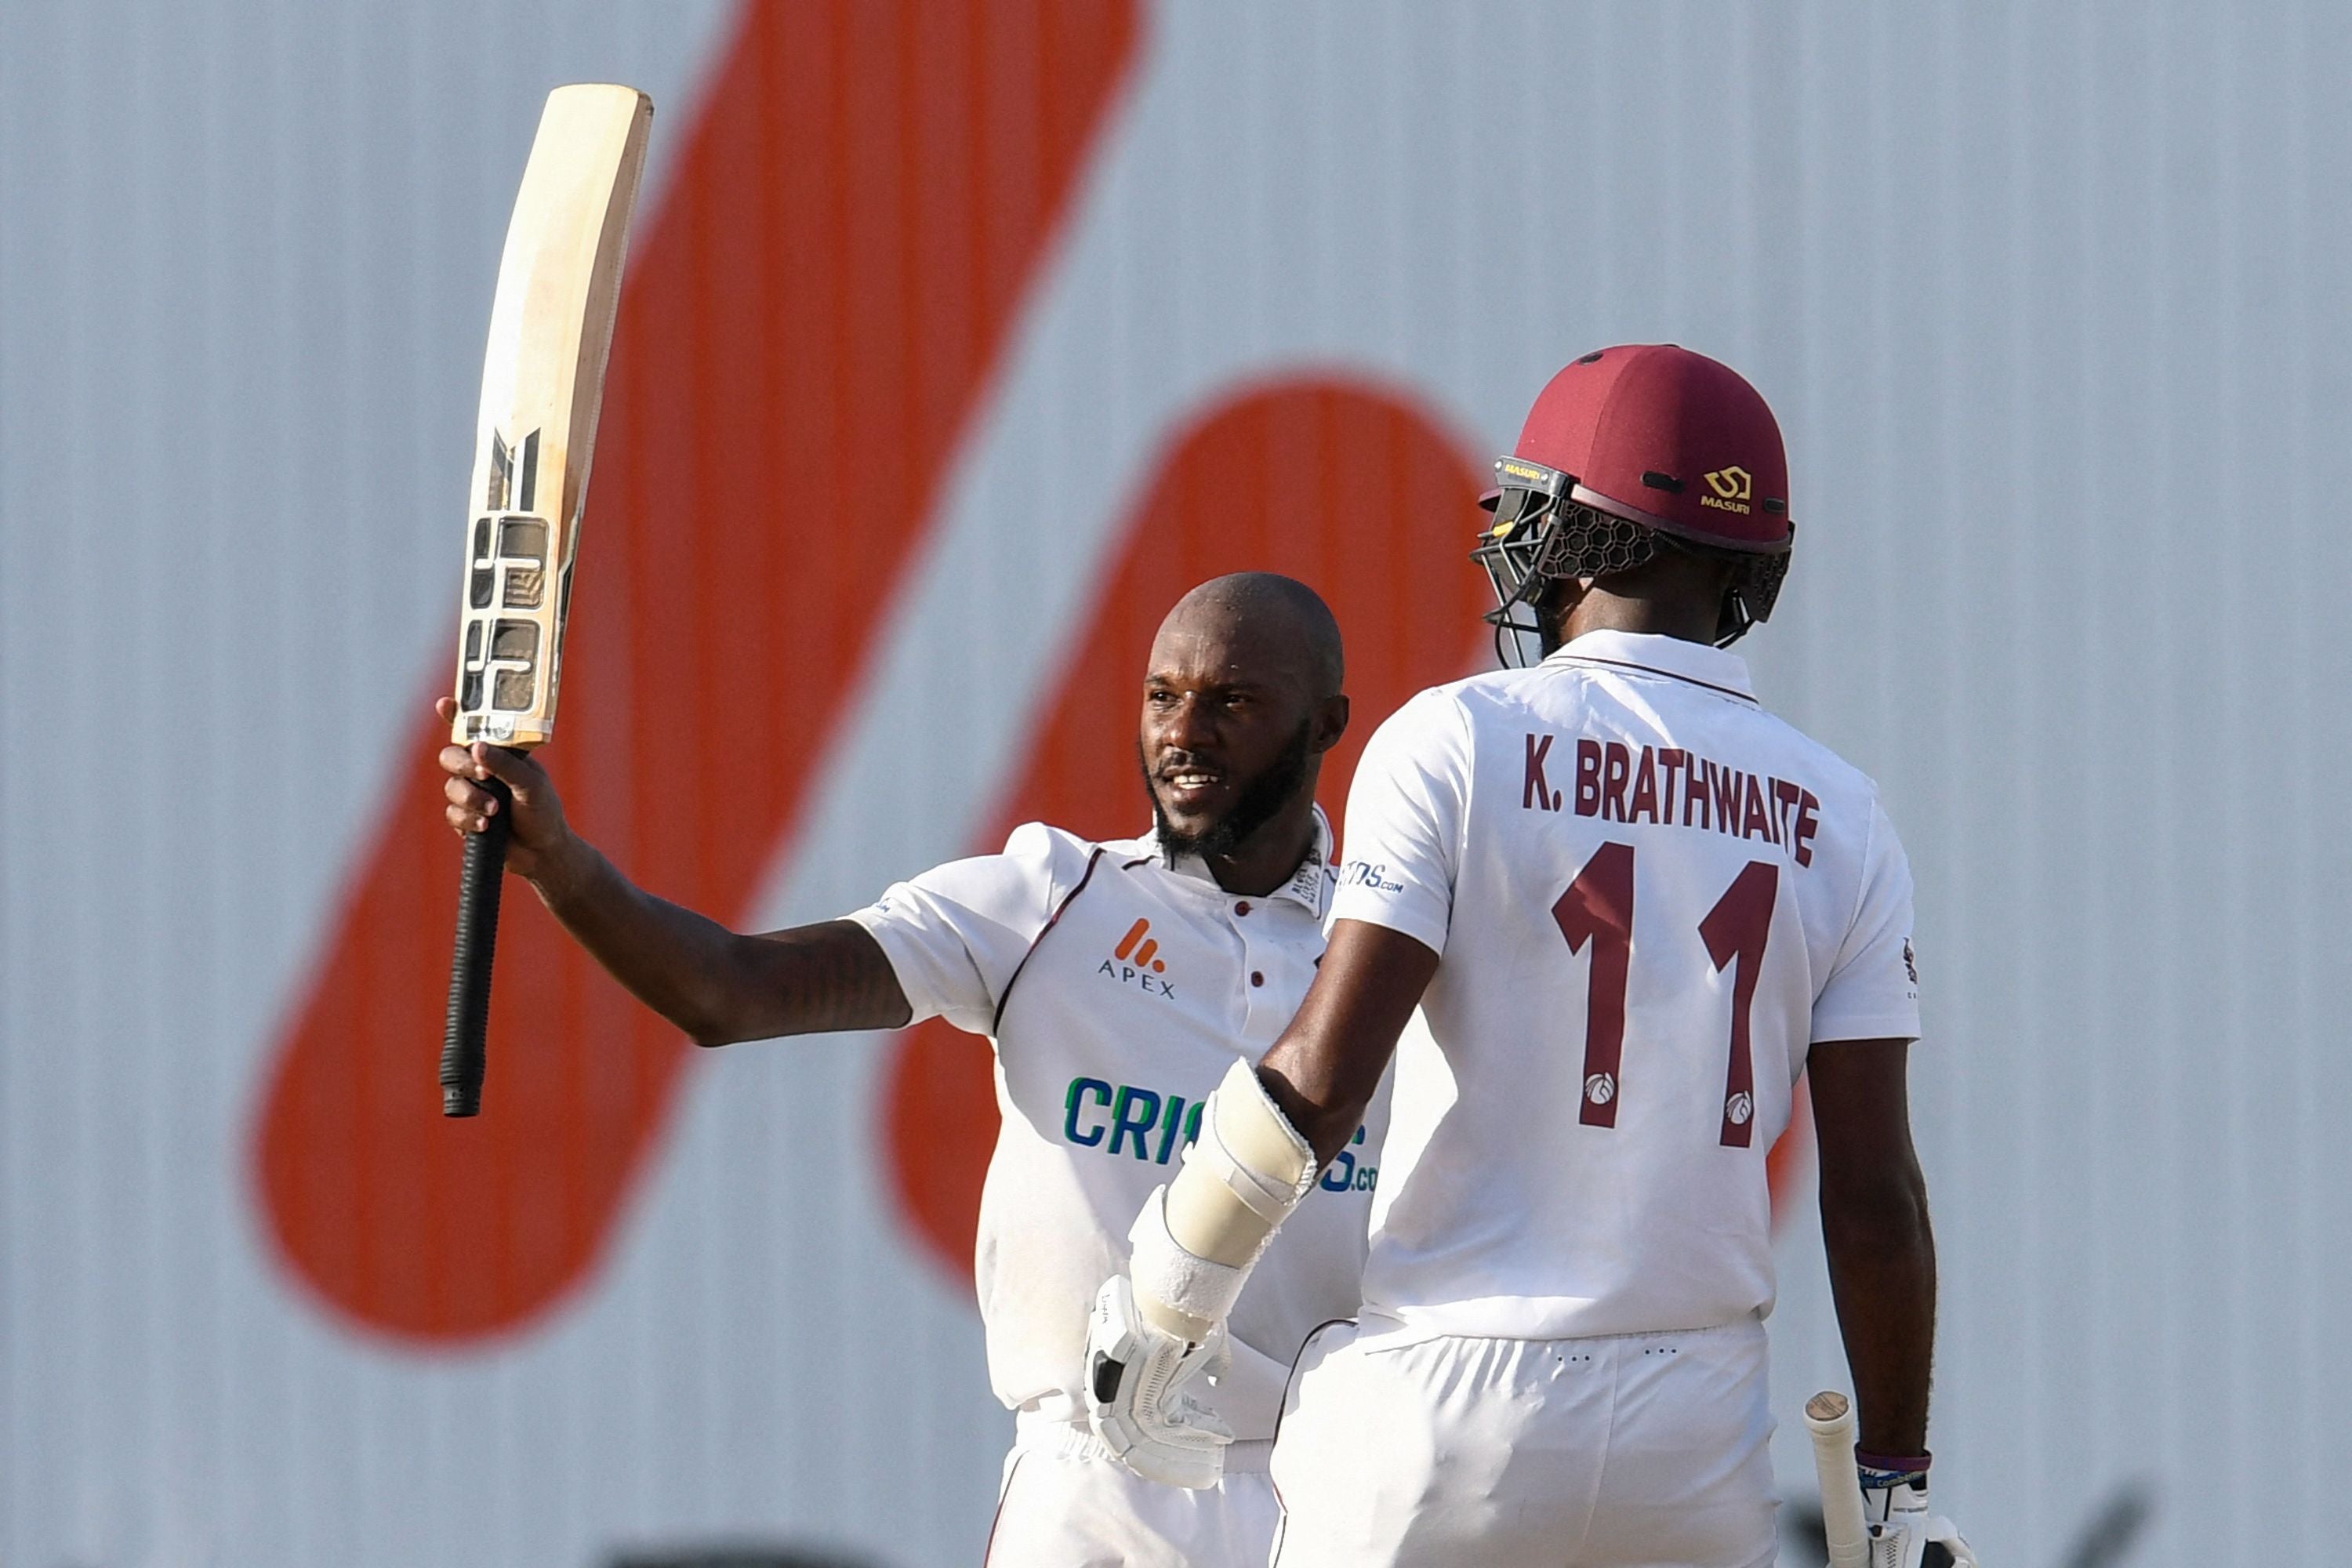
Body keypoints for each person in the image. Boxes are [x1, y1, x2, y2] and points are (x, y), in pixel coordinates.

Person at [1086, 347, 1974, 1566]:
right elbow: (1875, 1199)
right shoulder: (1844, 810)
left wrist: (1164, 1298)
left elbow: (1321, 1077)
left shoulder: (1458, 737)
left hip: (1452, 1403)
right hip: (1700, 1431)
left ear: (1579, 535)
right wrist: (1898, 1489)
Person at [437, 572, 1385, 1568]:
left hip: (1320, 1488)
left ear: (1327, 723)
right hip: (1093, 1491)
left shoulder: (1395, 943)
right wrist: (560, 864)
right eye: (1162, 694)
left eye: (1232, 700)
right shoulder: (1048, 896)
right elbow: (728, 991)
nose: (1184, 730)